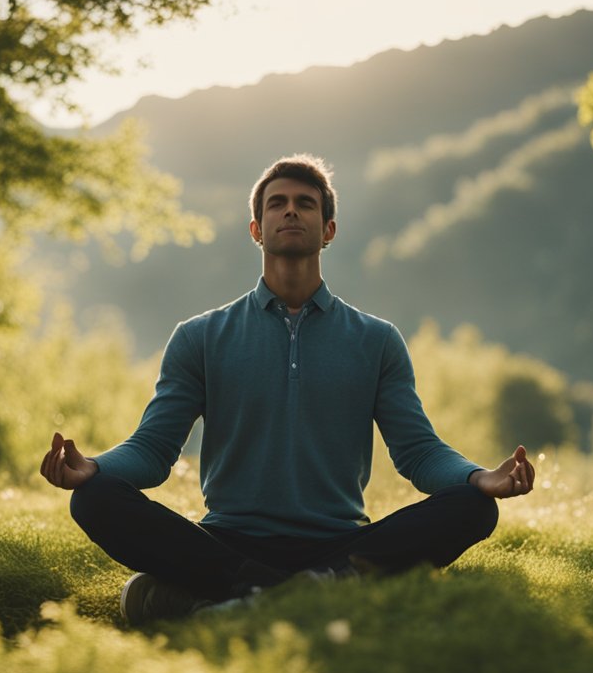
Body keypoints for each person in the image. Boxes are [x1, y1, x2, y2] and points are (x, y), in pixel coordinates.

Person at [41, 154, 535, 625]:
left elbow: (419, 453)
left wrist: (477, 478)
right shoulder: (199, 337)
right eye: (277, 203)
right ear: (256, 229)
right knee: (93, 498)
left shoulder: (377, 340)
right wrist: (94, 468)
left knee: (472, 508)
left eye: (306, 203)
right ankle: (298, 594)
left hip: (337, 544)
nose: (291, 210)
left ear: (329, 230)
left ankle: (228, 598)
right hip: (228, 543)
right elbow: (152, 450)